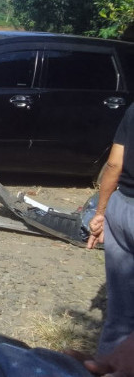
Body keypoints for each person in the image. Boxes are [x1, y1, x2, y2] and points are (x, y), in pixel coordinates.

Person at [86, 102, 134, 358]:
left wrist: (101, 213)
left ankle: (106, 365)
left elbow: (114, 165)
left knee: (119, 312)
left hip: (121, 207)